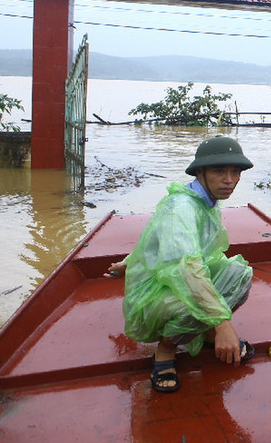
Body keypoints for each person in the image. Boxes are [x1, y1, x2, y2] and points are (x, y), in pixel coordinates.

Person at [107, 135, 256, 393]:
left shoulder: (204, 200)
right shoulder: (182, 207)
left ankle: (208, 334)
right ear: (200, 172)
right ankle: (166, 350)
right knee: (193, 297)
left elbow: (156, 239)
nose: (229, 180)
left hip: (176, 280)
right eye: (219, 171)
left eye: (235, 172)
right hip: (154, 296)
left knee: (239, 274)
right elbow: (188, 272)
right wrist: (224, 325)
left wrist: (127, 263)